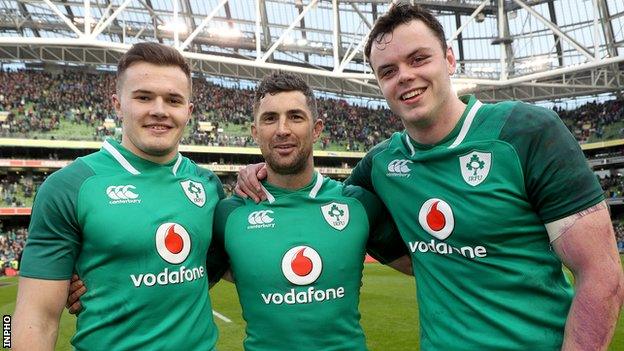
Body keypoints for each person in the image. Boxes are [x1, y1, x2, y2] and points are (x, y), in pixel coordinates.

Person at [235, 4, 624, 350]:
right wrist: (258, 172)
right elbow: (323, 202)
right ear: (380, 84)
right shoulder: (381, 165)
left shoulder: (526, 133)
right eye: (388, 71)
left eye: (419, 59)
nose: (405, 76)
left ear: (450, 60)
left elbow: (601, 273)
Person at [67, 71, 412, 350]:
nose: (282, 130)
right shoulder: (228, 215)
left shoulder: (357, 205)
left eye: (296, 117)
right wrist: (94, 284)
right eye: (270, 119)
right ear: (254, 132)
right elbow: (174, 276)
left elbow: (432, 263)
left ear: (317, 129)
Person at [13, 42, 225, 350]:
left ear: (188, 111)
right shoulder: (69, 187)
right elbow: (35, 316)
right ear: (117, 104)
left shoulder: (208, 185)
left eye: (173, 100)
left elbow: (214, 265)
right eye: (143, 97)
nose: (159, 110)